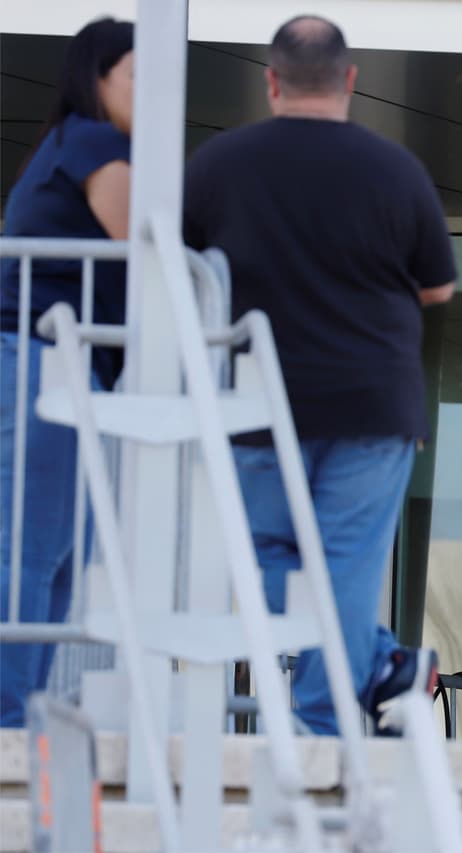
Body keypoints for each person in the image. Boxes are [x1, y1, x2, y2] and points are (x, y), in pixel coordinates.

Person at [182, 15, 455, 734]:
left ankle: (331, 716)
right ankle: (379, 672)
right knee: (343, 573)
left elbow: (176, 272)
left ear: (270, 80)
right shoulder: (396, 169)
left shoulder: (218, 165)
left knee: (272, 569)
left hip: (259, 407)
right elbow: (438, 289)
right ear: (351, 82)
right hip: (373, 409)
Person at [1, 17, 134, 728]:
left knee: (57, 553)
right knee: (32, 547)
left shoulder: (76, 143)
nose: (151, 92)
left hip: (65, 365)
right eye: (138, 75)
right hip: (43, 359)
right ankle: (8, 715)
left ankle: (19, 707)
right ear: (96, 77)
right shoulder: (95, 141)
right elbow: (139, 238)